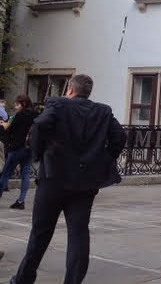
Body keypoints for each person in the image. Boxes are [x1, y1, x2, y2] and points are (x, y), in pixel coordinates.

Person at [10, 74, 126, 284]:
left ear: (70, 90)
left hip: (53, 178)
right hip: (84, 183)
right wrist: (102, 160)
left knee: (41, 232)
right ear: (87, 92)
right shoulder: (103, 111)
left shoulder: (58, 104)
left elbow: (39, 126)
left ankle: (23, 279)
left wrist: (39, 154)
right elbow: (120, 137)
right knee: (78, 233)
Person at [0, 95, 38, 209]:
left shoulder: (20, 115)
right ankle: (21, 201)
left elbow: (10, 130)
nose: (16, 107)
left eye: (17, 104)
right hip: (30, 148)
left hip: (17, 148)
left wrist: (5, 126)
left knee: (6, 172)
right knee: (25, 174)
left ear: (23, 104)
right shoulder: (36, 114)